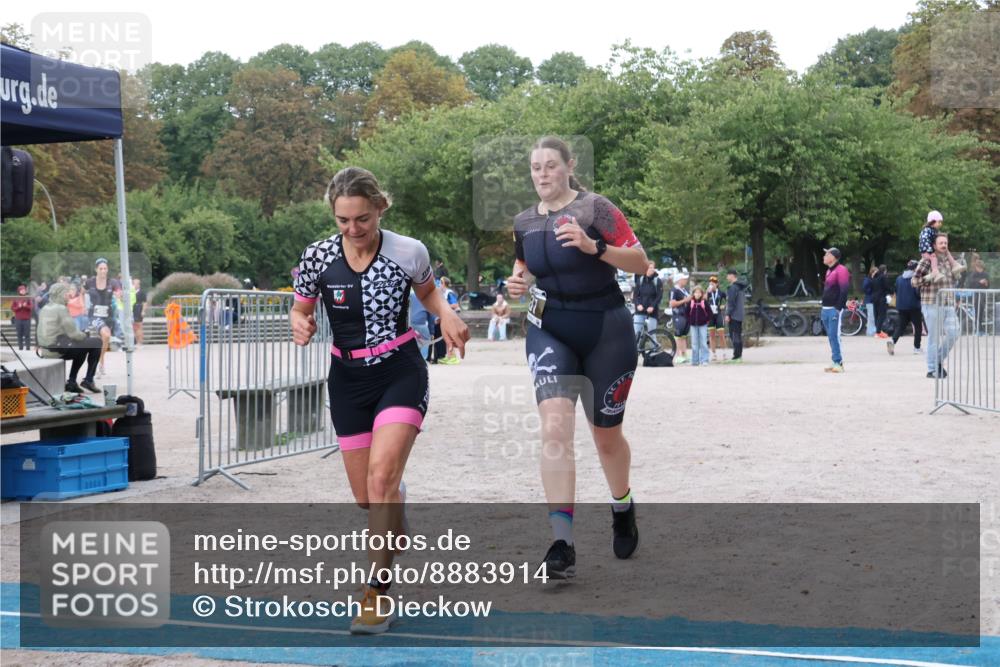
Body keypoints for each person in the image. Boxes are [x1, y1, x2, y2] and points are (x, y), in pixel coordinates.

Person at [291, 166, 469, 635]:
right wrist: (299, 324)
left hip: (399, 369)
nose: (353, 230)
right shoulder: (316, 257)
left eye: (362, 219)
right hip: (346, 377)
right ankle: (394, 502)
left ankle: (375, 595)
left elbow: (429, 294)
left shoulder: (409, 251)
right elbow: (301, 307)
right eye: (343, 220)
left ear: (380, 208)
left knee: (381, 477)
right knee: (367, 498)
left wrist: (447, 315)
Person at [507, 136, 648, 580]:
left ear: (568, 167)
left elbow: (641, 262)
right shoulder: (524, 222)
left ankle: (621, 504)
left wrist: (595, 248)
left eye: (550, 166)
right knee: (554, 428)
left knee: (605, 437)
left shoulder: (596, 210)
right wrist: (513, 286)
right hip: (550, 329)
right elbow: (523, 268)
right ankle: (561, 542)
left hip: (606, 329)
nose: (542, 174)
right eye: (535, 167)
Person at [35, 283, 102, 393]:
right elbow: (74, 334)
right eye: (66, 293)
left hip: (46, 350)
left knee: (82, 348)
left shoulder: (45, 308)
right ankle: (88, 380)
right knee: (96, 342)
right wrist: (86, 335)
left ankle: (72, 383)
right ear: (60, 294)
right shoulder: (61, 308)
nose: (69, 296)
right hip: (57, 350)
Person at [912, 233, 960, 379]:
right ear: (934, 245)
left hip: (948, 304)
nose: (944, 245)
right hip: (931, 303)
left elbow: (954, 280)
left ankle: (937, 360)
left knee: (954, 333)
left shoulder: (950, 262)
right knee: (934, 338)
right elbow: (914, 282)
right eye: (941, 243)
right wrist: (929, 277)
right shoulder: (926, 261)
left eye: (945, 243)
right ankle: (932, 369)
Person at [86, 258, 119, 378]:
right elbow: (80, 292)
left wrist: (119, 296)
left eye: (105, 268)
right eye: (101, 268)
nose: (103, 271)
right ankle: (98, 365)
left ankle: (101, 362)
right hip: (94, 315)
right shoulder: (90, 282)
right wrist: (83, 306)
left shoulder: (112, 282)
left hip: (108, 315)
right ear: (96, 269)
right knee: (106, 335)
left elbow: (119, 293)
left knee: (105, 339)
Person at [820, 248, 850, 373]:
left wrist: (838, 308)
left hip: (834, 309)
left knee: (835, 335)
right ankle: (834, 360)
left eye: (827, 254)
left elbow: (844, 290)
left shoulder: (841, 270)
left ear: (834, 257)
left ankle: (839, 362)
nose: (825, 256)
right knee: (830, 336)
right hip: (825, 308)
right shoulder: (829, 271)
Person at [888, 260, 922, 355]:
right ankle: (917, 348)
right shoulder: (916, 278)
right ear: (916, 268)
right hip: (914, 306)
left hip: (901, 306)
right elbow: (917, 293)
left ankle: (893, 341)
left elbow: (896, 291)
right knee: (918, 327)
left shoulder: (899, 278)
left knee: (901, 326)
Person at [919, 211, 962, 281]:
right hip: (926, 251)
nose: (940, 224)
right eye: (939, 222)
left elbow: (939, 237)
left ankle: (955, 265)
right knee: (934, 258)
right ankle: (935, 273)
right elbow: (925, 241)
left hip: (930, 249)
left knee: (947, 251)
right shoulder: (926, 231)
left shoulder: (934, 230)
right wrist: (931, 251)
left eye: (945, 243)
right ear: (932, 221)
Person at [632, 261, 663, 339]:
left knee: (652, 334)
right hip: (639, 311)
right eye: (649, 268)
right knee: (636, 334)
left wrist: (652, 306)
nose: (650, 269)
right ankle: (637, 351)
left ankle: (655, 350)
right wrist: (638, 304)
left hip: (652, 312)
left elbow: (659, 296)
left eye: (652, 268)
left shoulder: (657, 281)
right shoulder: (640, 280)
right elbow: (635, 295)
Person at [435, 277, 461, 364]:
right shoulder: (444, 293)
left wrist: (444, 308)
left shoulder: (449, 293)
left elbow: (455, 305)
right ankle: (449, 356)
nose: (438, 284)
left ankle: (453, 358)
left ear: (443, 283)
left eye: (440, 283)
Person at [724, 270, 747, 364]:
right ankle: (739, 355)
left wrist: (728, 314)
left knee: (734, 335)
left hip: (734, 315)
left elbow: (731, 302)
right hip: (740, 314)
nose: (726, 277)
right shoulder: (740, 287)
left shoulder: (733, 287)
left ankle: (736, 356)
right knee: (737, 334)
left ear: (732, 276)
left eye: (727, 275)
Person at [686, 284, 712, 366]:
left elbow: (710, 313)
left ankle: (704, 360)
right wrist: (689, 321)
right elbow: (686, 313)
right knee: (694, 343)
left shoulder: (705, 302)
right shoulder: (690, 302)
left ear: (702, 294)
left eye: (699, 293)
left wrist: (706, 320)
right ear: (693, 294)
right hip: (693, 325)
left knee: (703, 342)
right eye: (695, 293)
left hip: (703, 325)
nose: (697, 294)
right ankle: (695, 360)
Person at [669, 273, 692, 363]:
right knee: (678, 335)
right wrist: (684, 300)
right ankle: (678, 355)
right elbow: (672, 303)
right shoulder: (674, 290)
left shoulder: (685, 289)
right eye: (684, 279)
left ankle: (684, 354)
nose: (686, 280)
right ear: (679, 280)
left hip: (686, 315)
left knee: (684, 335)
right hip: (678, 315)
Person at [966, 257, 990, 333]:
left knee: (981, 311)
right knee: (977, 310)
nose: (980, 270)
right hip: (975, 295)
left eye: (981, 268)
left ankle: (980, 327)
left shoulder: (985, 274)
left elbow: (988, 285)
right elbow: (969, 284)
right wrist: (979, 282)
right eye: (979, 268)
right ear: (976, 267)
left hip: (982, 295)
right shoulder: (972, 274)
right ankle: (977, 327)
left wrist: (986, 283)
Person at [706, 275, 727, 361]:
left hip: (718, 314)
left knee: (721, 335)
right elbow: (702, 301)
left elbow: (729, 301)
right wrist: (707, 292)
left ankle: (724, 353)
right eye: (710, 283)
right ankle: (713, 354)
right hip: (710, 315)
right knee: (711, 336)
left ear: (717, 284)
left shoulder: (721, 293)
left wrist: (724, 306)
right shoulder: (708, 292)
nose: (712, 285)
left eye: (713, 283)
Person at [408, 288, 432, 359]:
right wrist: (432, 331)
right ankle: (423, 359)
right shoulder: (426, 296)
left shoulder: (411, 295)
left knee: (413, 341)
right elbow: (431, 316)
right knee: (426, 340)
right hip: (421, 323)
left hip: (410, 322)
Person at [10, 285, 33, 350]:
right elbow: (12, 308)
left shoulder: (28, 298)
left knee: (27, 334)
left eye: (24, 290)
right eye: (22, 290)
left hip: (27, 319)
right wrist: (19, 307)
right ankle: (20, 347)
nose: (23, 291)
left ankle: (28, 348)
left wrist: (26, 306)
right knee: (19, 334)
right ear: (19, 291)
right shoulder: (16, 298)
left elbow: (31, 307)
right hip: (18, 319)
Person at [872, 264, 891, 339]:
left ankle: (878, 330)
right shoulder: (883, 277)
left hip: (874, 298)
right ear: (885, 270)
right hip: (881, 298)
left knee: (876, 315)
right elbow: (887, 286)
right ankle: (878, 332)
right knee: (881, 315)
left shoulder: (874, 277)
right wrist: (892, 291)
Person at [131, 277, 147, 345]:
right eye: (133, 283)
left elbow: (145, 303)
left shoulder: (142, 292)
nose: (133, 285)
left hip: (138, 309)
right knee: (134, 327)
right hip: (132, 310)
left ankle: (140, 342)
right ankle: (136, 341)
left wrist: (143, 311)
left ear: (138, 285)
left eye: (135, 284)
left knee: (139, 326)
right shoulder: (131, 292)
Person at [862, 266, 877, 337]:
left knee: (871, 316)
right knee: (871, 317)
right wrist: (871, 291)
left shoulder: (872, 279)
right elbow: (865, 288)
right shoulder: (868, 279)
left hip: (872, 300)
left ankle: (870, 332)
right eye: (875, 272)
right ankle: (871, 332)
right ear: (872, 272)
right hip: (869, 299)